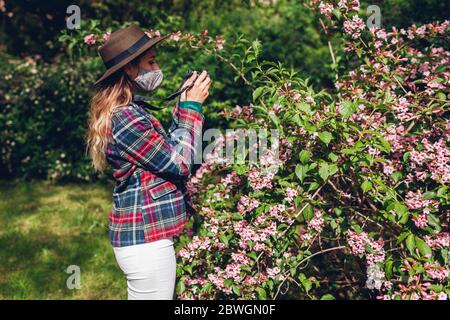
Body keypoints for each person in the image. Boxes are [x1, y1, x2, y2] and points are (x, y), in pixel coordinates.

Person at [86, 25, 212, 299]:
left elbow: (169, 150)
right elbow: (179, 163)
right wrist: (192, 108)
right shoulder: (126, 119)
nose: (157, 67)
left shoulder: (131, 111)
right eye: (151, 61)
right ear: (130, 69)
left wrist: (183, 103)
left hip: (145, 240)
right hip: (145, 242)